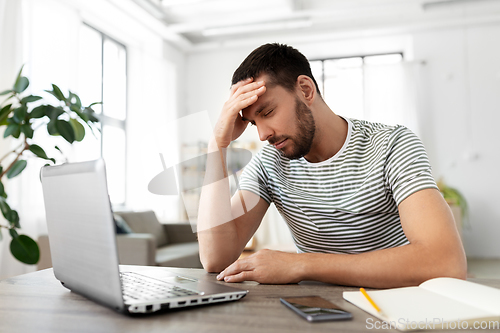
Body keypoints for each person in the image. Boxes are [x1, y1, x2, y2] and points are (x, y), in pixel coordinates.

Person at [197, 43, 466, 288]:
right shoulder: (270, 164)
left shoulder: (392, 145)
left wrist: (301, 265)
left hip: (395, 305)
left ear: (305, 90)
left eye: (267, 112)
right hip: (317, 310)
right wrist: (216, 145)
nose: (262, 135)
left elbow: (445, 262)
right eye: (254, 122)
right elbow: (215, 258)